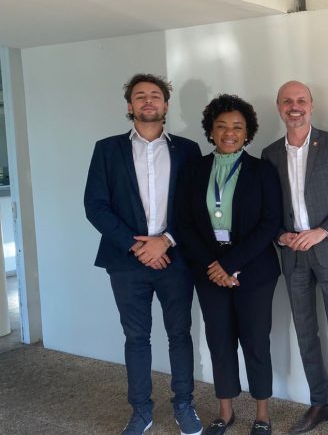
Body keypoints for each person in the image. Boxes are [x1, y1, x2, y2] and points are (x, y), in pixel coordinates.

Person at [84, 73, 203, 435]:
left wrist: (165, 240)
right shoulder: (107, 149)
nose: (148, 101)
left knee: (180, 334)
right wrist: (138, 246)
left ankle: (184, 404)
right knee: (136, 337)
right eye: (140, 96)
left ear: (166, 105)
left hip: (175, 260)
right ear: (130, 105)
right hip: (126, 261)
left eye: (155, 95)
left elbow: (195, 207)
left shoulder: (188, 150)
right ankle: (140, 411)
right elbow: (95, 206)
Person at [261, 81, 328, 435]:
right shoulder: (270, 154)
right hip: (293, 256)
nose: (295, 106)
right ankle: (321, 403)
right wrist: (280, 235)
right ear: (279, 107)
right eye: (287, 101)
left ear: (311, 105)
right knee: (306, 331)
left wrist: (323, 231)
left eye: (301, 100)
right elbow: (267, 208)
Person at [175, 94, 283, 435]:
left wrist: (231, 264)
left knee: (256, 340)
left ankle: (262, 415)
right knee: (219, 341)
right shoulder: (193, 170)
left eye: (237, 126)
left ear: (247, 132)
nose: (229, 133)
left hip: (255, 270)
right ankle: (225, 412)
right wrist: (214, 265)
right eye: (221, 126)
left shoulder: (262, 170)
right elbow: (183, 223)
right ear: (211, 131)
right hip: (209, 271)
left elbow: (271, 222)